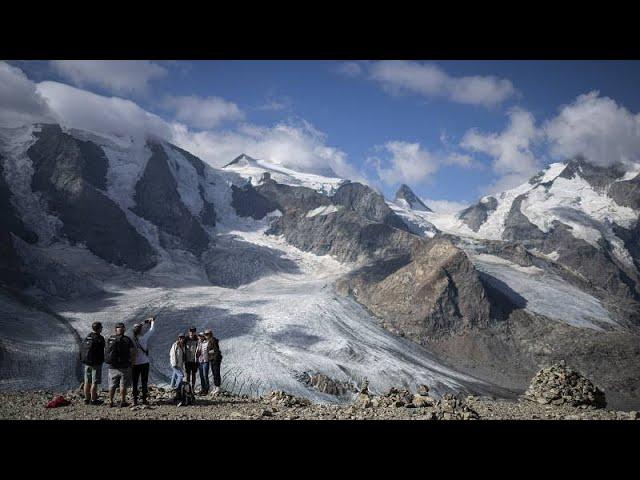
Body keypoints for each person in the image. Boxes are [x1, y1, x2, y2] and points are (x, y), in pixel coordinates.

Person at [105, 322, 136, 408]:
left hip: (112, 367)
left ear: (115, 330)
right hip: (124, 366)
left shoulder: (110, 339)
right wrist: (132, 363)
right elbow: (132, 352)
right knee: (123, 385)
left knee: (112, 385)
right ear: (124, 330)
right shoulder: (127, 339)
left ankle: (110, 401)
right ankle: (123, 401)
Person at [132, 316, 156, 406]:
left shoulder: (132, 339)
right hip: (144, 363)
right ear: (140, 330)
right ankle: (144, 399)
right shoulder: (144, 338)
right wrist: (152, 321)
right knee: (144, 381)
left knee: (135, 382)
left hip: (135, 364)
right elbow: (152, 330)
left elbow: (136, 328)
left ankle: (135, 400)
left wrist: (143, 322)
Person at [80, 321, 105, 405]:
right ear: (98, 329)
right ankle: (94, 400)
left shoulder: (88, 336)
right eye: (101, 327)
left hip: (87, 363)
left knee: (87, 381)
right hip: (96, 364)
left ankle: (86, 399)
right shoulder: (100, 338)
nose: (102, 328)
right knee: (94, 382)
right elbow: (103, 348)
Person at [204, 329, 223, 395]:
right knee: (214, 373)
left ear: (210, 334)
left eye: (207, 334)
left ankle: (217, 387)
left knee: (216, 373)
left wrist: (208, 352)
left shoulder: (213, 340)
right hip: (213, 359)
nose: (205, 335)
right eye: (205, 334)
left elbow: (216, 350)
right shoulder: (209, 340)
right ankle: (215, 387)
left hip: (215, 359)